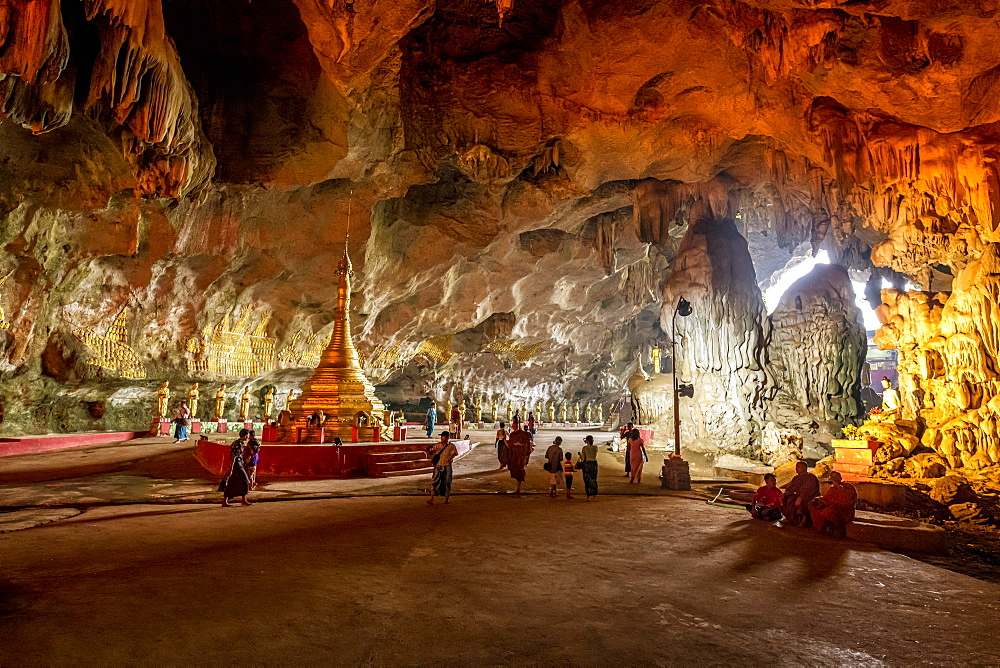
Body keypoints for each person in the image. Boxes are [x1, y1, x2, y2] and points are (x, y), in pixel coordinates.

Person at [810, 471, 858, 536]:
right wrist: (819, 500)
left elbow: (847, 501)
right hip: (831, 507)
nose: (833, 478)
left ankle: (839, 529)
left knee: (830, 511)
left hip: (845, 510)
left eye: (835, 477)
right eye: (831, 477)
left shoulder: (848, 487)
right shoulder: (832, 488)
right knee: (815, 506)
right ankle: (821, 528)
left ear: (840, 478)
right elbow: (826, 498)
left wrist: (838, 487)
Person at [781, 461, 820, 526]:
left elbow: (808, 490)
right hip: (799, 496)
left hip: (810, 497)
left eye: (798, 467)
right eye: (796, 467)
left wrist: (801, 497)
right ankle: (790, 518)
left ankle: (804, 519)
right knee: (786, 498)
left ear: (804, 468)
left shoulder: (810, 477)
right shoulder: (797, 478)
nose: (796, 469)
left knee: (803, 502)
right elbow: (792, 487)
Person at [220, 429, 252, 507]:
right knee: (245, 480)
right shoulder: (239, 444)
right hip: (237, 464)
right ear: (245, 435)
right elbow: (234, 456)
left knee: (231, 482)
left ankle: (225, 501)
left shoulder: (236, 442)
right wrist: (231, 468)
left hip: (237, 463)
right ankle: (243, 500)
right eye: (248, 435)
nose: (248, 437)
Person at [428, 431, 458, 505]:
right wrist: (430, 450)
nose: (441, 438)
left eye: (443, 436)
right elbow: (432, 452)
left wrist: (450, 459)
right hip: (438, 465)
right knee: (435, 482)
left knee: (447, 482)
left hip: (447, 465)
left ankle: (446, 499)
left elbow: (454, 453)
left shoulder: (451, 446)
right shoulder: (437, 445)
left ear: (447, 438)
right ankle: (431, 499)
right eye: (441, 436)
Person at [505, 424, 534, 496]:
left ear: (519, 427)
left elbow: (528, 443)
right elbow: (510, 444)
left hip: (521, 455)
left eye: (516, 427)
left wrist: (520, 444)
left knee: (519, 469)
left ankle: (518, 488)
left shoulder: (524, 434)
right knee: (514, 469)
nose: (515, 428)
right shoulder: (512, 434)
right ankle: (518, 488)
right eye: (513, 427)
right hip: (514, 455)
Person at [580, 435, 599, 500]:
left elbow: (583, 458)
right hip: (594, 463)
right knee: (593, 479)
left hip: (587, 464)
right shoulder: (595, 447)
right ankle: (594, 495)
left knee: (587, 480)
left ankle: (588, 496)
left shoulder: (585, 448)